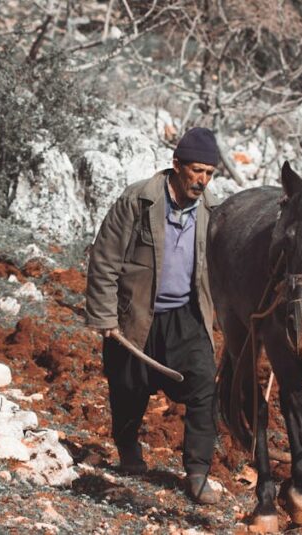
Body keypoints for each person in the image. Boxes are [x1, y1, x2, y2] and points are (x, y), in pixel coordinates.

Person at [85, 127, 221, 505]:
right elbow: (105, 259)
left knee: (203, 382)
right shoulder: (138, 200)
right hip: (135, 313)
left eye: (209, 173)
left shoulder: (211, 211)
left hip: (185, 315)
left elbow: (220, 268)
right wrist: (104, 317)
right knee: (127, 387)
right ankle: (128, 449)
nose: (202, 180)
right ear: (176, 166)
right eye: (196, 171)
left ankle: (197, 471)